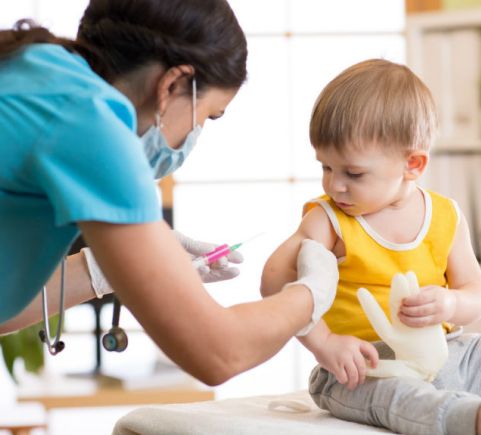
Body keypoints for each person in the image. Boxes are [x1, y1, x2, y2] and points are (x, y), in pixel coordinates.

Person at [0, 0, 339, 386]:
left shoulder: (37, 71)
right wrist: (310, 293)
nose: (196, 133)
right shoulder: (90, 123)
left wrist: (99, 271)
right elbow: (219, 353)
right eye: (207, 115)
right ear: (173, 85)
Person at [260, 59, 481, 435]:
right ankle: (468, 419)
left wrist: (451, 303)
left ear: (413, 165)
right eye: (325, 167)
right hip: (361, 366)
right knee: (397, 396)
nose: (334, 185)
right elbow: (274, 281)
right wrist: (324, 343)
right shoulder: (327, 221)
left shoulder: (445, 216)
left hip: (445, 350)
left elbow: (476, 294)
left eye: (353, 173)